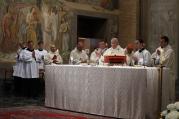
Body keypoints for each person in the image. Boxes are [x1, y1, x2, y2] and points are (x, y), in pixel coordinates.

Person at [151, 35, 176, 102]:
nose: (160, 43)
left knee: (168, 92)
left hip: (168, 75)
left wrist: (160, 55)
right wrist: (155, 59)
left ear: (166, 42)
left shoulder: (170, 51)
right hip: (159, 73)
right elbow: (153, 58)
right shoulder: (159, 49)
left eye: (162, 42)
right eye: (160, 42)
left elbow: (165, 63)